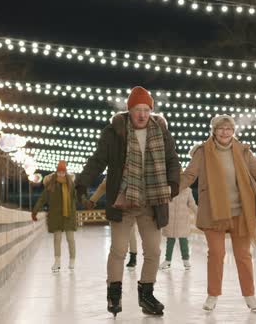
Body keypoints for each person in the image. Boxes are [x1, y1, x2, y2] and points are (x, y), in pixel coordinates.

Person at [75, 86, 180, 317]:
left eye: (146, 109)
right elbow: (98, 160)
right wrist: (82, 182)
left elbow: (173, 160)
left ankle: (147, 295)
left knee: (153, 250)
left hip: (151, 201)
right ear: (129, 110)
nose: (142, 114)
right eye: (137, 109)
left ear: (150, 111)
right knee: (119, 249)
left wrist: (173, 183)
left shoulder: (161, 132)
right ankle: (114, 294)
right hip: (123, 201)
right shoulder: (115, 132)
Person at [180, 114, 256, 313]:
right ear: (213, 131)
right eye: (221, 128)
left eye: (229, 128)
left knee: (243, 255)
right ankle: (212, 295)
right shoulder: (203, 152)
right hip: (214, 211)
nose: (225, 132)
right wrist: (168, 191)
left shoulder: (243, 151)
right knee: (216, 254)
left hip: (241, 211)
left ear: (233, 131)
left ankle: (249, 295)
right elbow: (189, 175)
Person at [31, 160, 78, 273]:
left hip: (68, 215)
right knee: (57, 239)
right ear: (57, 171)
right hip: (56, 215)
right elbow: (43, 198)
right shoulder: (51, 184)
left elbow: (76, 197)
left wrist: (87, 201)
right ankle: (57, 262)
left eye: (63, 172)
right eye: (59, 172)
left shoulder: (70, 184)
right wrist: (35, 211)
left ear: (65, 172)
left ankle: (72, 260)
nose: (61, 174)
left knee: (70, 239)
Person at [87, 178, 139, 270]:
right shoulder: (113, 173)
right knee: (116, 233)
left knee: (131, 232)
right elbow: (103, 186)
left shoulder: (132, 171)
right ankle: (119, 257)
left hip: (129, 205)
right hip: (115, 207)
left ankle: (133, 257)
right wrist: (93, 200)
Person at [159, 171, 197, 270]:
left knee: (183, 240)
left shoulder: (187, 191)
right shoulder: (168, 190)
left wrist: (199, 213)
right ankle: (167, 260)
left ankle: (186, 260)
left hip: (182, 220)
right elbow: (163, 203)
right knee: (170, 240)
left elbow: (192, 204)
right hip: (170, 220)